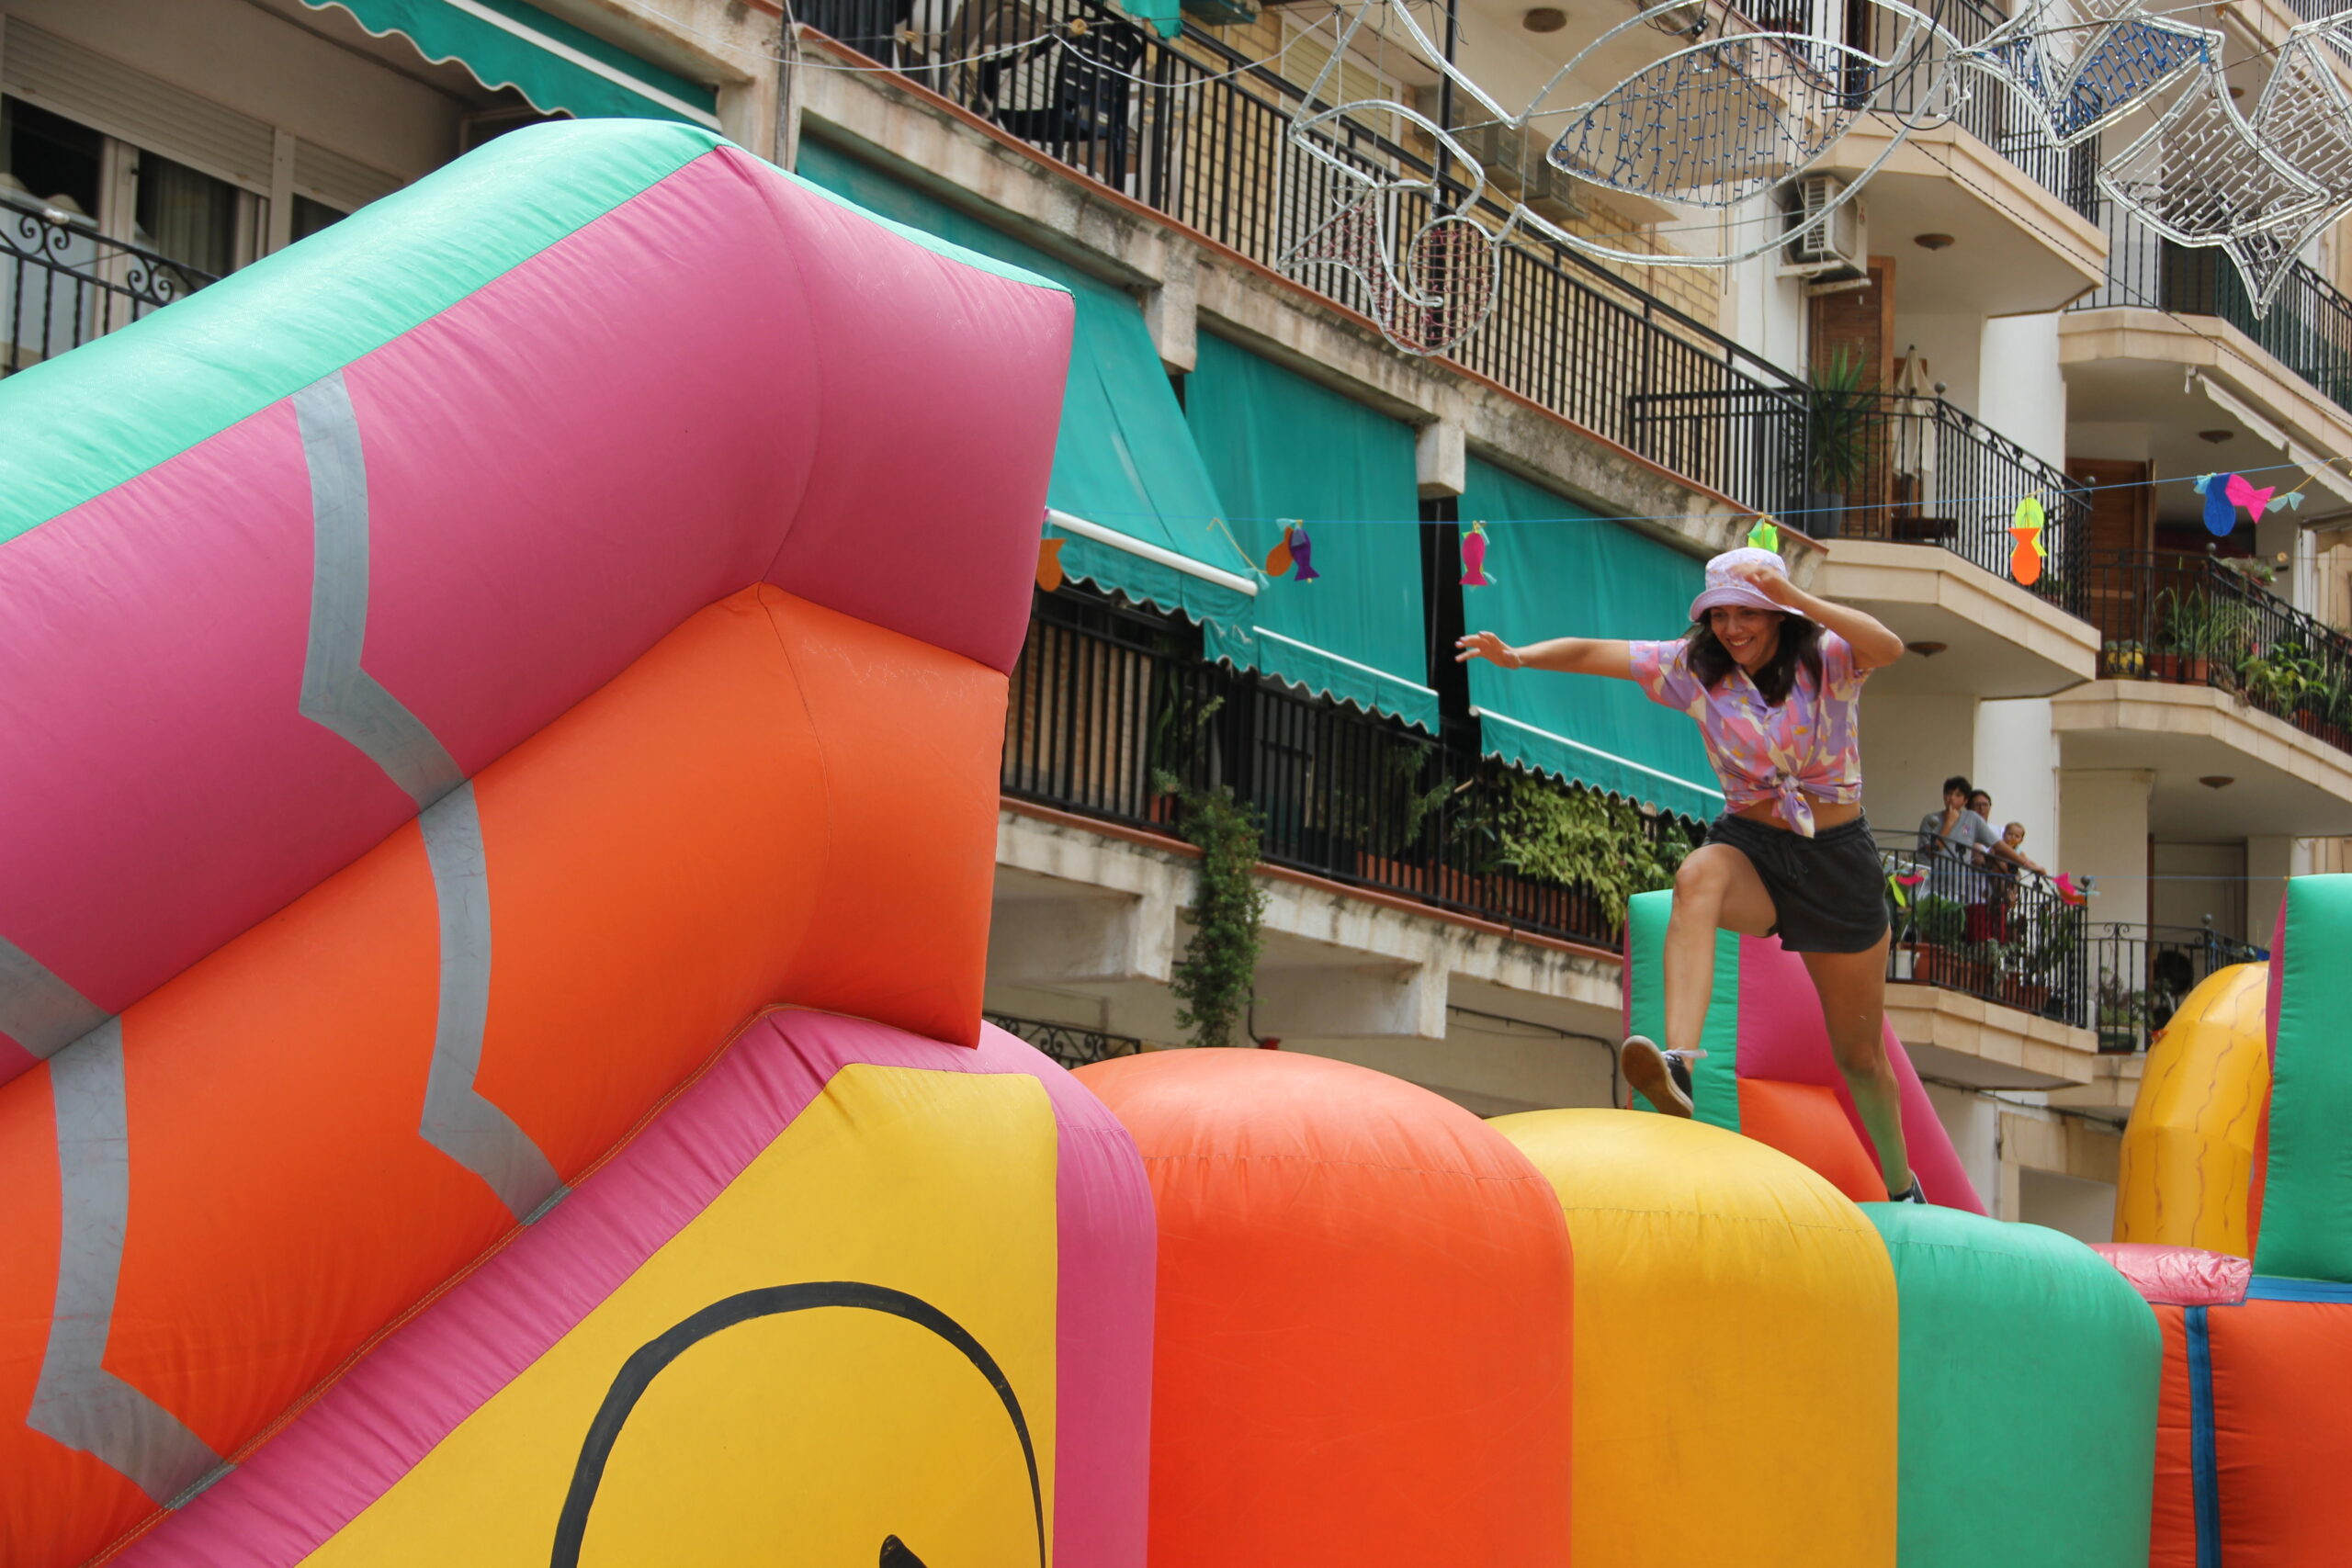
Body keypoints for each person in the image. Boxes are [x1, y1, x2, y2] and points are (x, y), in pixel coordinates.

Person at [1456, 546, 1928, 1202]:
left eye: (1748, 614)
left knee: (1860, 1058)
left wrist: (1801, 598)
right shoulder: (1694, 669)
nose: (1733, 629)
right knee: (1696, 876)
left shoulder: (1827, 657)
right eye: (1721, 615)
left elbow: (1891, 645)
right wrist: (1519, 656)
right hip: (1754, 848)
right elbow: (1597, 652)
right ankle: (1677, 1060)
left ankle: (1903, 1184)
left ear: (1778, 614)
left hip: (1836, 860)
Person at [1917, 776, 2001, 910]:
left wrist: (2027, 863)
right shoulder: (1931, 819)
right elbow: (1932, 852)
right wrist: (1949, 823)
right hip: (1929, 886)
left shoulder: (1972, 818)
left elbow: (1998, 844)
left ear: (1965, 800)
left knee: (1953, 925)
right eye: (1948, 794)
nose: (1951, 798)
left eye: (1958, 795)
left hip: (1958, 888)